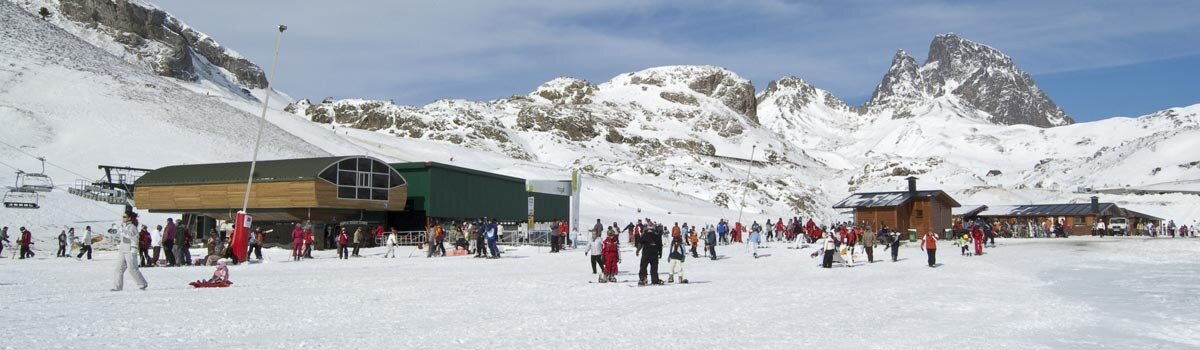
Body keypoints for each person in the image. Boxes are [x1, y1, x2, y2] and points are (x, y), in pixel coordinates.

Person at [112, 208, 148, 291]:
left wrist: (121, 231)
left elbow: (130, 236)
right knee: (119, 269)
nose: (123, 218)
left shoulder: (132, 227)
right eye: (123, 216)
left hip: (130, 250)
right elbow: (121, 236)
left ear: (129, 218)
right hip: (122, 249)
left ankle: (142, 283)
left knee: (132, 268)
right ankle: (117, 287)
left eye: (125, 217)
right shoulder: (123, 226)